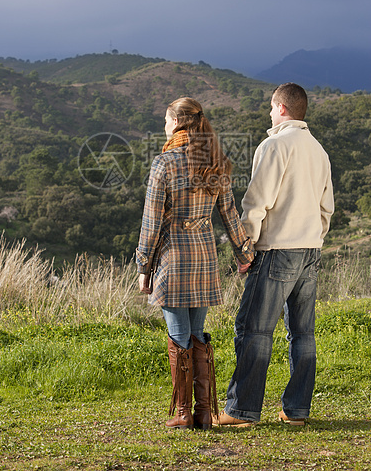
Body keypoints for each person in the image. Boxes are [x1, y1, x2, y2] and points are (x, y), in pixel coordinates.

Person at [214, 82, 334, 428]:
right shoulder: (319, 151)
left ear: (281, 107)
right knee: (303, 333)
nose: (269, 113)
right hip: (310, 251)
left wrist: (244, 246)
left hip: (276, 250)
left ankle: (242, 411)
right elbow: (327, 207)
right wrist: (315, 238)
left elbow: (256, 202)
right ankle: (296, 409)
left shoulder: (274, 145)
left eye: (270, 107)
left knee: (254, 329)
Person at [136, 97, 254, 430]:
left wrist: (144, 267)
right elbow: (229, 214)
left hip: (173, 259)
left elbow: (151, 222)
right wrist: (243, 255)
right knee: (198, 336)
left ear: (178, 123)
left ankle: (183, 413)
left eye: (166, 120)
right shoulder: (215, 160)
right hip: (204, 259)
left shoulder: (165, 164)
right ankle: (204, 412)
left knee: (180, 338)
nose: (164, 125)